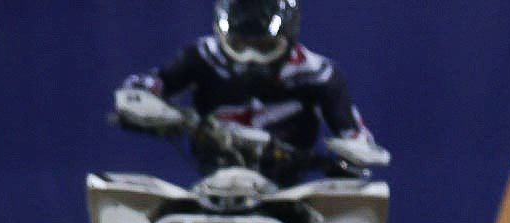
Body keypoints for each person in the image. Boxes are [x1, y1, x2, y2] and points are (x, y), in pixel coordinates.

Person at [120, 0, 388, 172]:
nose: (250, 59)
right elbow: (151, 84)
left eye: (263, 47)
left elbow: (356, 136)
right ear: (221, 36)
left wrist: (352, 156)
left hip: (285, 192)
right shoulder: (202, 56)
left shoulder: (318, 74)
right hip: (213, 181)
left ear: (288, 38)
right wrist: (145, 102)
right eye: (239, 46)